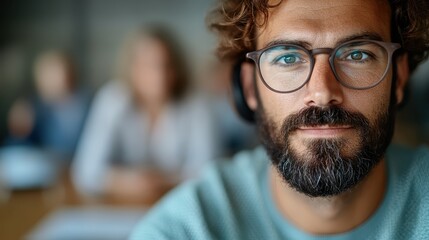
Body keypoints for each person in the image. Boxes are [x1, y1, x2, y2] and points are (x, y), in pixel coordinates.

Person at [130, 0, 429, 239]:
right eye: (288, 58)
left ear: (399, 78)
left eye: (358, 55)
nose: (322, 92)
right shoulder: (187, 229)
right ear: (249, 87)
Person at [72, 26, 218, 204]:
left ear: (177, 69)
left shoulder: (196, 104)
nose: (159, 75)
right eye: (149, 65)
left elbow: (208, 171)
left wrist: (158, 183)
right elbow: (85, 171)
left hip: (180, 204)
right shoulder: (112, 99)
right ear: (132, 68)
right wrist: (130, 183)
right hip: (122, 206)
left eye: (166, 65)